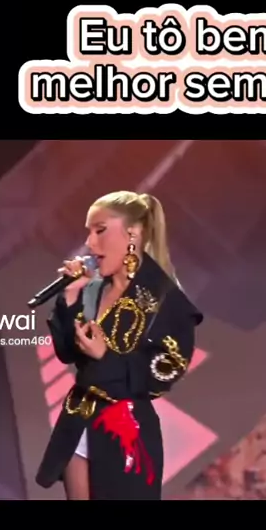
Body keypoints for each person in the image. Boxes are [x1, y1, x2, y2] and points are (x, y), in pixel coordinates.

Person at [36, 191, 203, 500]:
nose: (90, 243)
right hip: (79, 420)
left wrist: (105, 356)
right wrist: (70, 297)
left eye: (100, 230)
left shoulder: (166, 300)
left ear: (133, 233)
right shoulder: (94, 290)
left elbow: (164, 373)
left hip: (125, 432)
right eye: (89, 232)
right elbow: (67, 352)